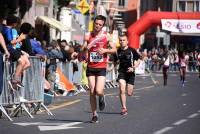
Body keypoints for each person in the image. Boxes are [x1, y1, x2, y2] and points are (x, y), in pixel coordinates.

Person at [82, 15, 116, 123]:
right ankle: (94, 114)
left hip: (101, 67)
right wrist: (85, 50)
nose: (97, 26)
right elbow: (83, 48)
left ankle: (102, 96)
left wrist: (105, 50)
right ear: (94, 23)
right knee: (92, 91)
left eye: (100, 25)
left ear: (103, 26)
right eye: (96, 23)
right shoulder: (88, 35)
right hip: (91, 66)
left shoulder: (106, 36)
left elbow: (114, 49)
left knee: (98, 90)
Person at [113, 33, 140, 115]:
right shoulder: (117, 51)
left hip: (131, 73)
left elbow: (138, 60)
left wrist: (134, 67)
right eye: (120, 40)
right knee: (121, 89)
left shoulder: (132, 50)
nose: (122, 42)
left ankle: (130, 90)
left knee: (129, 93)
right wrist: (111, 68)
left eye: (124, 40)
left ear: (127, 41)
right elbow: (115, 62)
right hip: (121, 72)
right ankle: (124, 108)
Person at [2, 15, 30, 90]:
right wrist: (20, 39)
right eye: (17, 23)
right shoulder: (7, 30)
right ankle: (14, 80)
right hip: (10, 49)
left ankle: (15, 77)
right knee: (21, 62)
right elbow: (11, 42)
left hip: (12, 49)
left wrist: (18, 40)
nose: (17, 25)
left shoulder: (9, 29)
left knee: (26, 63)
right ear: (14, 23)